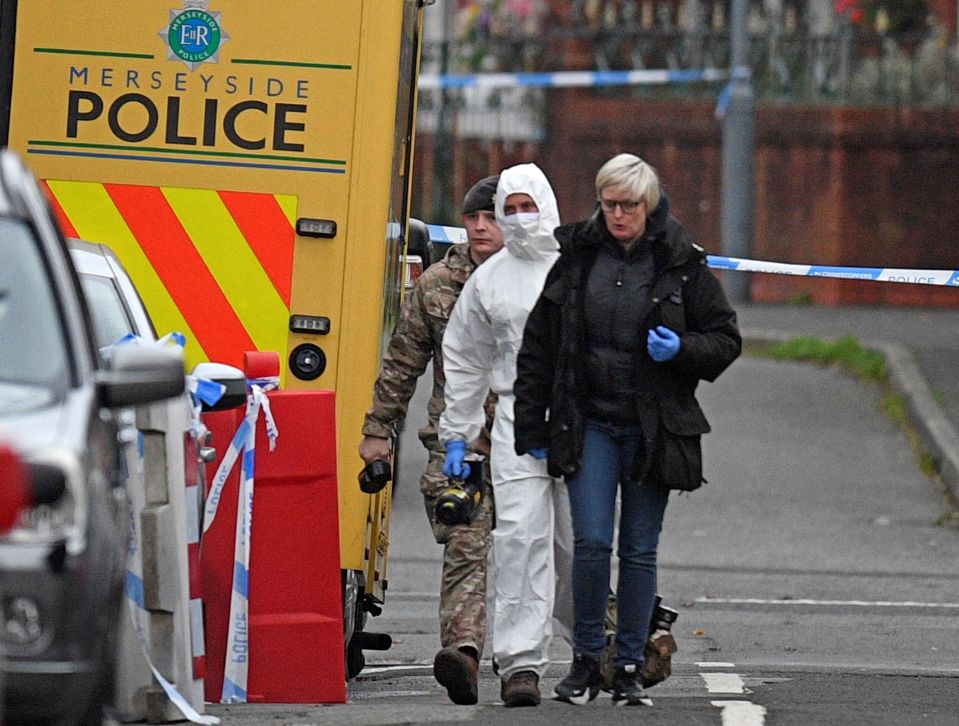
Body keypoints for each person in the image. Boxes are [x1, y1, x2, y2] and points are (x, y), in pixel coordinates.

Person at [513, 153, 741, 707]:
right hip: (588, 421)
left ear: (649, 205)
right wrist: (532, 424)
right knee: (590, 543)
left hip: (651, 428)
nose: (619, 215)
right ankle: (586, 660)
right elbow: (539, 347)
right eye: (610, 204)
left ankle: (632, 665)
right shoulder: (574, 256)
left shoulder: (682, 261)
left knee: (639, 549)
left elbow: (725, 340)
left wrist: (682, 349)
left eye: (630, 205)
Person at [358, 175, 503, 705]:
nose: (481, 228)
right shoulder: (439, 284)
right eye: (473, 218)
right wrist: (378, 430)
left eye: (492, 218)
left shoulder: (542, 279)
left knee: (544, 551)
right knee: (465, 543)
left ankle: (608, 645)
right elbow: (402, 362)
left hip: (528, 441)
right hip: (457, 445)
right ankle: (462, 654)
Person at [439, 162, 572, 708]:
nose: (518, 220)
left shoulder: (576, 269)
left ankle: (594, 645)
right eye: (508, 210)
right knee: (519, 539)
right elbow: (465, 359)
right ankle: (522, 664)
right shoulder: (489, 281)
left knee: (575, 544)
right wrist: (457, 434)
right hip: (517, 421)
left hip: (576, 419)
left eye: (527, 207)